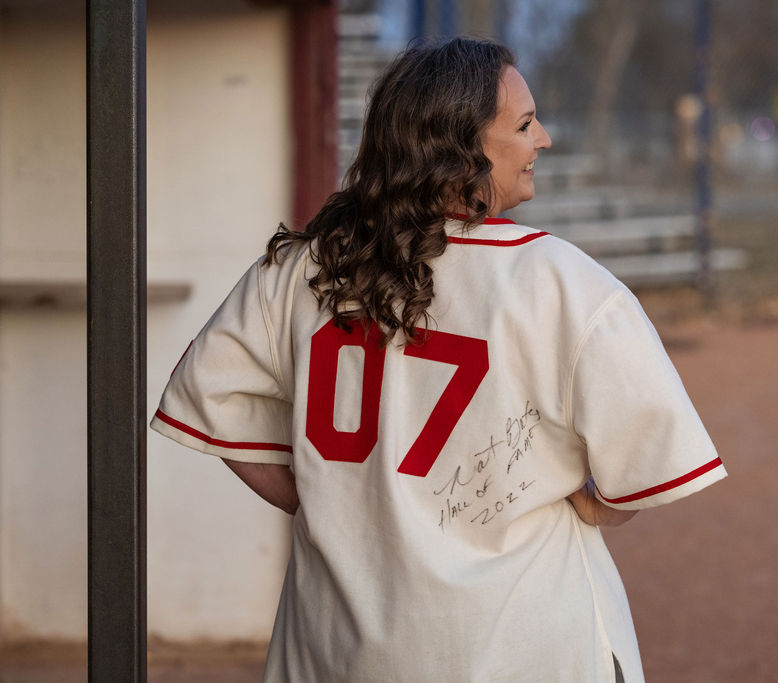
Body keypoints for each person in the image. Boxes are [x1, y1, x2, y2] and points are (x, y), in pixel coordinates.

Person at [151, 37, 725, 682]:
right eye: (526, 124)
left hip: (335, 647)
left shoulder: (301, 266)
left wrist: (328, 503)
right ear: (460, 149)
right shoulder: (566, 281)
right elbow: (645, 472)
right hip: (525, 645)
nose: (545, 141)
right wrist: (597, 508)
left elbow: (211, 404)